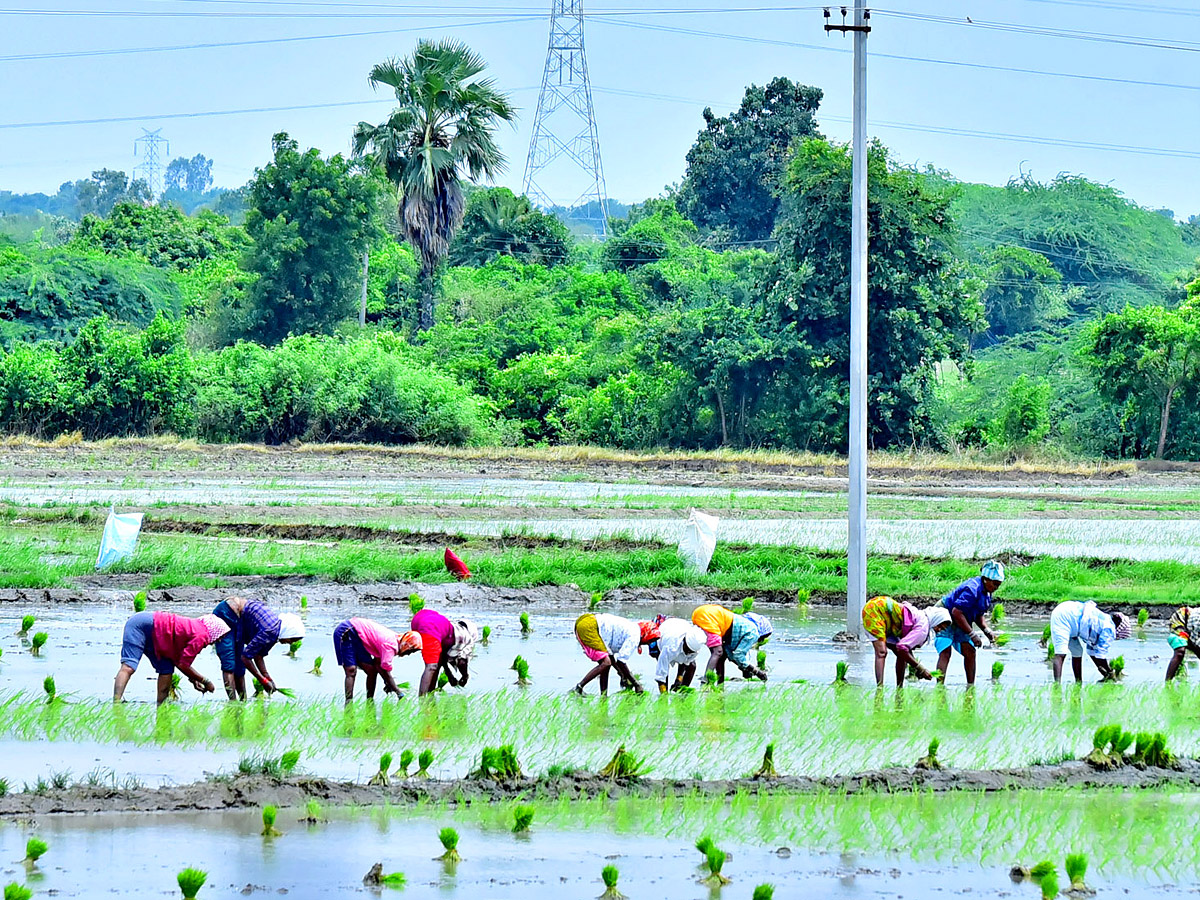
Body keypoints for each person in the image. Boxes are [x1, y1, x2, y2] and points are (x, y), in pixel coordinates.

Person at [113, 610, 230, 705]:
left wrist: (193, 679)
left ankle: (161, 706)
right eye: (220, 636)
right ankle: (116, 703)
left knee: (166, 669)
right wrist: (205, 681)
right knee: (129, 666)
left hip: (159, 637)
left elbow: (179, 660)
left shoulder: (197, 629)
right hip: (141, 625)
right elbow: (183, 665)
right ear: (214, 631)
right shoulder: (201, 636)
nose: (219, 640)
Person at [211, 596, 305, 700]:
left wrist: (267, 677)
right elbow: (245, 657)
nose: (290, 643)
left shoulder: (274, 634)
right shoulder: (270, 631)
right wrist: (262, 680)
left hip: (240, 620)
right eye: (292, 640)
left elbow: (258, 655)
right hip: (227, 613)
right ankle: (233, 703)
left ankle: (243, 701)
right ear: (288, 632)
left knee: (240, 667)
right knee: (229, 662)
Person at [936, 560, 1004, 685]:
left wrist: (987, 630)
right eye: (995, 584)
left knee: (970, 652)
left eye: (998, 585)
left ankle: (970, 686)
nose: (996, 587)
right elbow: (957, 612)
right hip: (946, 614)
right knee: (946, 651)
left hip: (961, 617)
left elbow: (978, 615)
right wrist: (972, 634)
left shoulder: (987, 593)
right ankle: (939, 688)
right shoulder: (972, 589)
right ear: (985, 579)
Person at [332, 617, 421, 702]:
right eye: (410, 651)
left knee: (372, 671)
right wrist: (398, 692)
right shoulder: (390, 646)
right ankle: (348, 702)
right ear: (406, 645)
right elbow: (386, 672)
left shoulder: (394, 642)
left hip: (359, 638)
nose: (408, 654)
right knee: (351, 670)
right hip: (347, 631)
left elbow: (378, 665)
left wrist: (388, 683)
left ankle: (370, 700)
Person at [572, 613, 657, 695]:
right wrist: (636, 684)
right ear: (646, 635)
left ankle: (603, 696)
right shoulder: (634, 637)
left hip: (586, 621)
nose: (649, 644)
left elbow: (611, 658)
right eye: (650, 640)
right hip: (589, 626)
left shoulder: (632, 628)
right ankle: (578, 688)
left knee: (606, 664)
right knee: (606, 663)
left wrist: (622, 674)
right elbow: (621, 661)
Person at [1049, 601, 1130, 683]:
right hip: (1064, 617)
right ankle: (1057, 686)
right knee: (1061, 653)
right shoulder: (1109, 629)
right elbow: (1101, 656)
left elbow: (1093, 653)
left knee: (1077, 651)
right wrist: (1110, 672)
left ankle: (1078, 682)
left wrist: (1104, 672)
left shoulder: (1104, 623)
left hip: (1070, 616)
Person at [861, 595, 934, 686]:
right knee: (882, 652)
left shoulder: (915, 624)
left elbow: (904, 653)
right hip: (874, 611)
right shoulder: (918, 627)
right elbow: (903, 649)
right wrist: (920, 669)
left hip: (889, 621)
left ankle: (899, 687)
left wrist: (917, 668)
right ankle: (880, 688)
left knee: (901, 655)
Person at [690, 604, 770, 683]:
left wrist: (745, 668)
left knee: (721, 656)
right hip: (709, 616)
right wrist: (757, 672)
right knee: (718, 652)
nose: (762, 640)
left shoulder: (741, 628)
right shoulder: (753, 633)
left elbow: (731, 655)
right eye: (764, 637)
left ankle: (720, 686)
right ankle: (705, 681)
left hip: (699, 613)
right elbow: (738, 655)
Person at [410, 608, 479, 696]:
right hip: (430, 627)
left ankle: (430, 695)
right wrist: (465, 676)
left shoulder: (450, 629)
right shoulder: (466, 638)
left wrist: (450, 676)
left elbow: (441, 659)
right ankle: (422, 700)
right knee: (431, 667)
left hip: (419, 619)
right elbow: (462, 662)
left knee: (435, 664)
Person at [646, 615, 708, 692]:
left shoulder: (696, 646)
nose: (688, 653)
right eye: (687, 650)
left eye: (691, 652)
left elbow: (686, 661)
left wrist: (679, 678)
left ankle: (682, 692)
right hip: (664, 631)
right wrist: (664, 698)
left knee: (692, 665)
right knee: (665, 671)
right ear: (684, 643)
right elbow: (661, 674)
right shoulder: (671, 647)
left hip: (680, 625)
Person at [1165, 606, 1200, 681]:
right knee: (1180, 651)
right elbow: (1195, 638)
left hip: (1192, 628)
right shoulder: (1197, 622)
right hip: (1181, 618)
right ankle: (1168, 683)